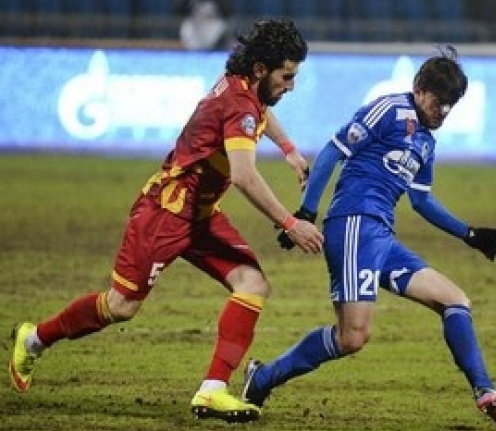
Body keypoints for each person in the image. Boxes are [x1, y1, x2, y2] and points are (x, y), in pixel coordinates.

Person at [8, 18, 324, 424]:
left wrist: (288, 148)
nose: (291, 86)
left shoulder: (242, 84)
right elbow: (245, 176)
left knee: (252, 283)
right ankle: (33, 339)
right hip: (165, 213)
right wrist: (290, 223)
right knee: (121, 306)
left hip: (200, 215)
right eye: (286, 76)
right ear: (261, 69)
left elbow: (259, 112)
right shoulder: (239, 102)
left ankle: (213, 389)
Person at [241, 46, 496, 427]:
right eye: (438, 103)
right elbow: (333, 151)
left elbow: (421, 201)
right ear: (419, 89)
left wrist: (469, 234)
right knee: (353, 337)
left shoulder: (426, 142)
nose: (442, 113)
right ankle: (262, 379)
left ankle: (486, 392)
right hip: (353, 224)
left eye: (449, 107)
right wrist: (306, 212)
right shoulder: (390, 109)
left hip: (381, 237)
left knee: (455, 300)